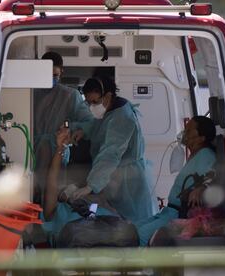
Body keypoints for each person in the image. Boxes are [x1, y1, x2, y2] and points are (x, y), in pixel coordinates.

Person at [71, 77, 155, 224]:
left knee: (133, 227)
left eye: (95, 102)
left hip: (129, 182)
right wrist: (83, 131)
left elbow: (110, 154)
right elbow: (98, 126)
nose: (91, 107)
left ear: (108, 96)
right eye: (88, 102)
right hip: (115, 177)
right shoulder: (109, 109)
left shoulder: (122, 118)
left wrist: (91, 185)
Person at [135, 116, 217, 246]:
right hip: (169, 212)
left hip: (178, 214)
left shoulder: (206, 155)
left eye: (189, 131)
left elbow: (212, 176)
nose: (185, 133)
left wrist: (202, 187)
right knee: (133, 228)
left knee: (140, 235)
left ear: (202, 138)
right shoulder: (195, 155)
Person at [33, 51, 93, 203]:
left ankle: (49, 224)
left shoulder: (70, 96)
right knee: (32, 193)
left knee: (52, 194)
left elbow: (89, 122)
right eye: (48, 74)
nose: (51, 79)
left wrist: (72, 128)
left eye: (55, 75)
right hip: (31, 149)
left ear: (61, 72)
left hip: (56, 152)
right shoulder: (29, 92)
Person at [41, 128, 117, 241]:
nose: (72, 188)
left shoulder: (102, 206)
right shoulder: (57, 211)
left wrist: (93, 192)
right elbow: (52, 181)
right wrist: (60, 148)